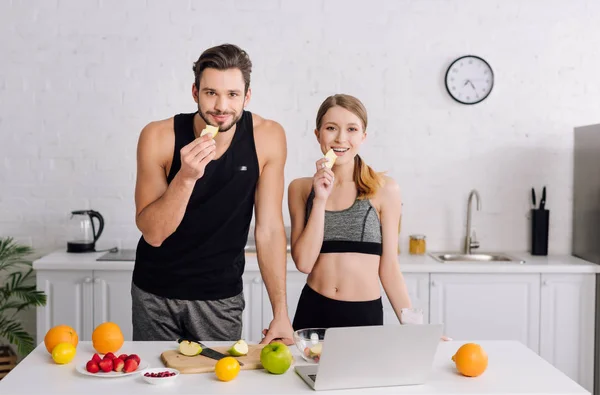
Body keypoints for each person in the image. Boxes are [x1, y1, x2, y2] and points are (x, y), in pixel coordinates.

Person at [131, 43, 293, 344]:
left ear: (247, 96)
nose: (221, 106)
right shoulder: (158, 136)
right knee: (155, 388)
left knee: (217, 386)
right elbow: (153, 233)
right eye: (210, 93)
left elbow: (269, 230)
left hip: (220, 298)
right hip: (155, 293)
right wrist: (186, 177)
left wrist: (280, 312)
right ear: (195, 93)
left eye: (232, 95)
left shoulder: (268, 137)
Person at [287, 94, 413, 330]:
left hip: (363, 315)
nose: (341, 138)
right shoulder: (301, 189)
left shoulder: (385, 190)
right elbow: (304, 263)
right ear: (318, 134)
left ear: (363, 136)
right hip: (312, 312)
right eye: (331, 128)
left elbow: (390, 269)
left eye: (352, 129)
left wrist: (416, 328)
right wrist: (320, 200)